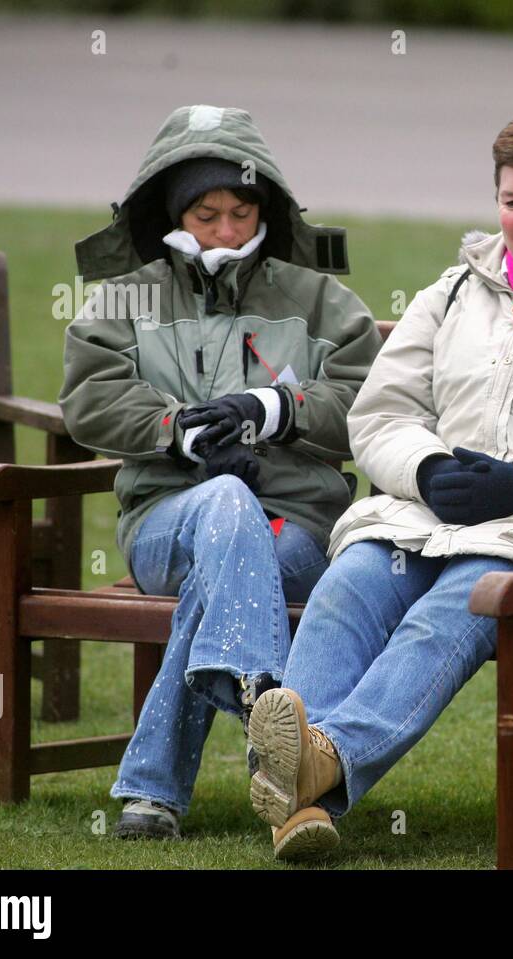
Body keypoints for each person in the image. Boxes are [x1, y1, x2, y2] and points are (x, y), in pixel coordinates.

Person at [244, 109, 513, 861]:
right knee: (345, 589)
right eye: (512, 201)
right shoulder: (453, 291)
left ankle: (311, 766)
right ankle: (303, 792)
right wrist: (427, 467)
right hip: (410, 518)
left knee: (448, 616)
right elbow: (380, 414)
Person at [59, 104, 381, 840]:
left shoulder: (322, 298)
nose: (228, 231)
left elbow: (371, 405)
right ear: (177, 212)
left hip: (296, 530)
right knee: (227, 499)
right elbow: (88, 401)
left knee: (227, 573)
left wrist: (277, 408)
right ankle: (266, 699)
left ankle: (152, 793)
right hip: (164, 524)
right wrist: (179, 433)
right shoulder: (125, 297)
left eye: (241, 211)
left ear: (263, 207)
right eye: (207, 214)